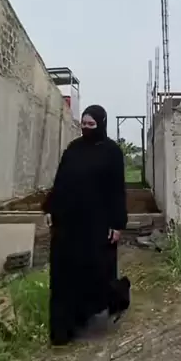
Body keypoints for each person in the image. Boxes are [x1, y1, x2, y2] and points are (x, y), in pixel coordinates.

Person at [43, 104, 130, 346]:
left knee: (97, 272)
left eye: (91, 124)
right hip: (69, 224)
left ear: (101, 124)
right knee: (65, 274)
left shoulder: (112, 152)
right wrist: (51, 208)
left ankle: (118, 296)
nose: (86, 128)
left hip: (97, 224)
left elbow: (117, 190)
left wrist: (117, 224)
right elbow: (61, 181)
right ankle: (65, 329)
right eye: (83, 124)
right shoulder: (73, 149)